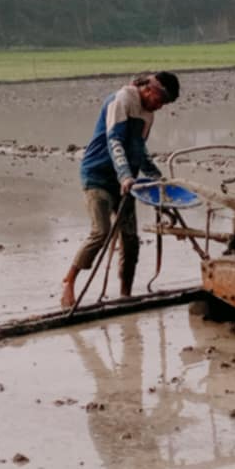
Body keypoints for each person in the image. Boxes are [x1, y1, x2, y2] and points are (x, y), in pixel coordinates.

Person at [61, 71, 180, 308]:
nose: (160, 106)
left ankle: (126, 295)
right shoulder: (121, 100)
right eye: (160, 100)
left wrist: (158, 178)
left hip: (126, 184)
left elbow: (139, 150)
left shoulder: (147, 114)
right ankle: (69, 281)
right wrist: (125, 176)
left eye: (164, 104)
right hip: (98, 177)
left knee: (130, 239)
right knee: (101, 232)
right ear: (149, 90)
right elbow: (114, 141)